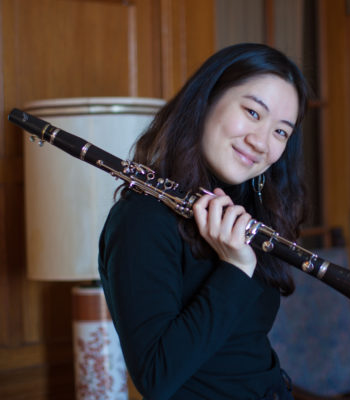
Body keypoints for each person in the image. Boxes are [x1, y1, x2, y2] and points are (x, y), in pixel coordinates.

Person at [98, 43, 309, 400]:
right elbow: (156, 377)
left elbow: (241, 352)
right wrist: (235, 268)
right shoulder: (140, 219)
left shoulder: (245, 212)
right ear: (207, 99)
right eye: (254, 113)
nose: (261, 143)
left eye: (281, 132)